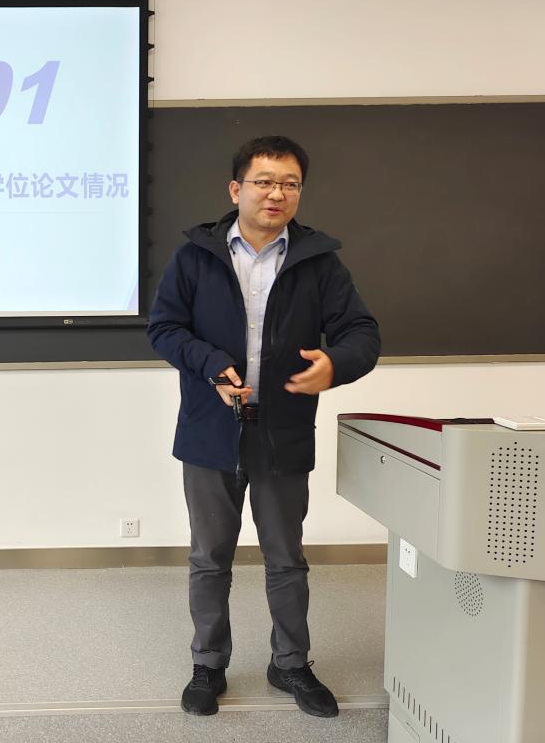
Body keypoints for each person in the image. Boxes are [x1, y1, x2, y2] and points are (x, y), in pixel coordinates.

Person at [147, 135, 380, 718]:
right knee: (209, 558)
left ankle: (290, 663)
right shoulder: (196, 256)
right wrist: (208, 364)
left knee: (286, 558)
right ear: (237, 189)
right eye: (265, 181)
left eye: (290, 184)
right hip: (209, 430)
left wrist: (336, 365)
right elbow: (164, 328)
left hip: (284, 432)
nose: (277, 193)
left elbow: (361, 333)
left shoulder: (318, 262)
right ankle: (208, 664)